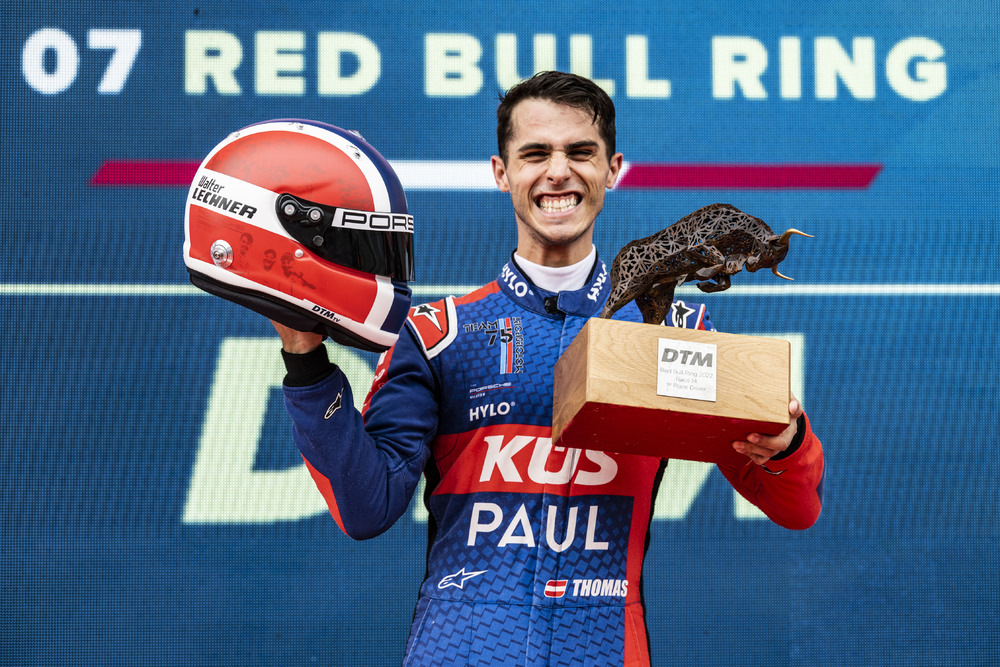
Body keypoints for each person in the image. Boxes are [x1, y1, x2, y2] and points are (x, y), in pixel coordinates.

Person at [270, 71, 824, 666]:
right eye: (535, 154)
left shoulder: (674, 333)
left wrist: (788, 442)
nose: (558, 171)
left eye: (580, 152)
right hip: (461, 651)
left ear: (612, 169)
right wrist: (305, 360)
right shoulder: (439, 335)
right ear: (501, 172)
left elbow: (796, 507)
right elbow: (366, 507)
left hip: (603, 649)